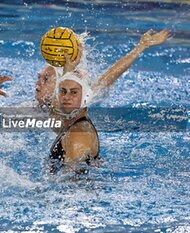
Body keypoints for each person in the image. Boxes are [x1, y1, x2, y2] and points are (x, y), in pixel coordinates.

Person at [48, 29, 171, 173]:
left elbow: (70, 185)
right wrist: (66, 72)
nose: (67, 97)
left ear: (86, 96)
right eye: (63, 91)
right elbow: (54, 119)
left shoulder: (78, 136)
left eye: (74, 92)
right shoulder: (70, 122)